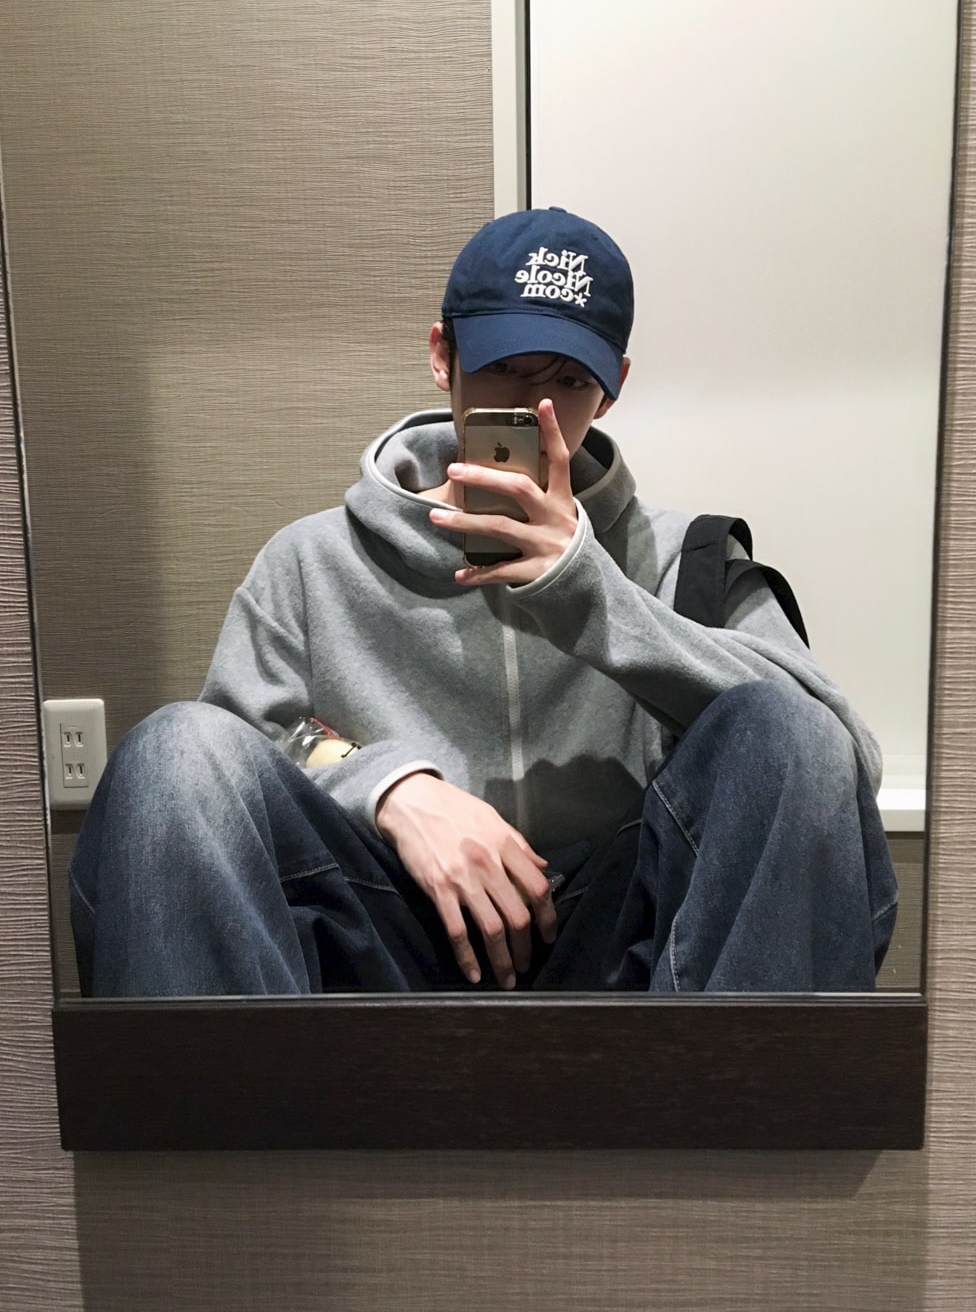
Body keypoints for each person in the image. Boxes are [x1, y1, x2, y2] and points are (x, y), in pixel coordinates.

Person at [69, 206, 898, 997]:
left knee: (785, 731)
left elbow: (834, 759)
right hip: (385, 932)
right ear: (444, 355)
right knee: (176, 754)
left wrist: (595, 600)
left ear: (613, 388)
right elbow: (262, 736)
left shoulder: (688, 559)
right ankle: (221, 1110)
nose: (535, 409)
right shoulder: (312, 561)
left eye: (569, 379)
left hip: (624, 940)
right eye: (505, 368)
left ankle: (734, 1104)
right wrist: (388, 786)